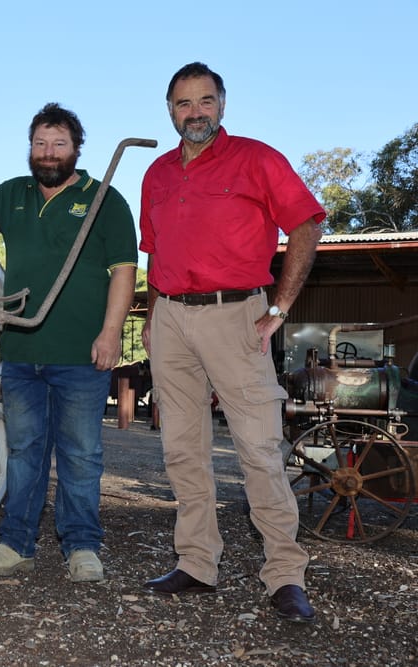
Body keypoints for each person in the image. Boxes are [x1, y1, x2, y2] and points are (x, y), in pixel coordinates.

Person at [138, 62, 325, 622]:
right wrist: (152, 315)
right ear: (169, 110)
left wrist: (279, 307)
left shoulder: (256, 158)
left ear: (222, 103)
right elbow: (156, 251)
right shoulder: (157, 174)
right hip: (171, 317)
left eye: (205, 101)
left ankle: (285, 573)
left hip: (236, 313)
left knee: (259, 449)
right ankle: (196, 562)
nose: (194, 112)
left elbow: (307, 224)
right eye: (183, 103)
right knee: (182, 448)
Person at [0, 102, 138, 583]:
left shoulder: (105, 200)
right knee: (24, 451)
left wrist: (111, 333)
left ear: (77, 149)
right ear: (30, 148)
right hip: (21, 353)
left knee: (80, 454)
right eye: (40, 143)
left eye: (59, 144)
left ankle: (82, 546)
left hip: (81, 354)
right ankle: (16, 544)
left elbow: (124, 270)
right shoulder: (13, 193)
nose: (49, 152)